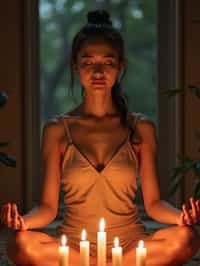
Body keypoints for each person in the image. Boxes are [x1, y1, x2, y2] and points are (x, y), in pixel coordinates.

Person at [1, 9, 200, 266]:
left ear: (120, 66)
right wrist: (22, 222)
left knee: (186, 238)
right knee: (19, 243)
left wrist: (180, 218)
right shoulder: (57, 130)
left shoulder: (141, 128)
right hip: (73, 246)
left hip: (129, 245)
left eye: (107, 62)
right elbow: (48, 208)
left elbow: (153, 204)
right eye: (88, 62)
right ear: (75, 66)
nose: (98, 71)